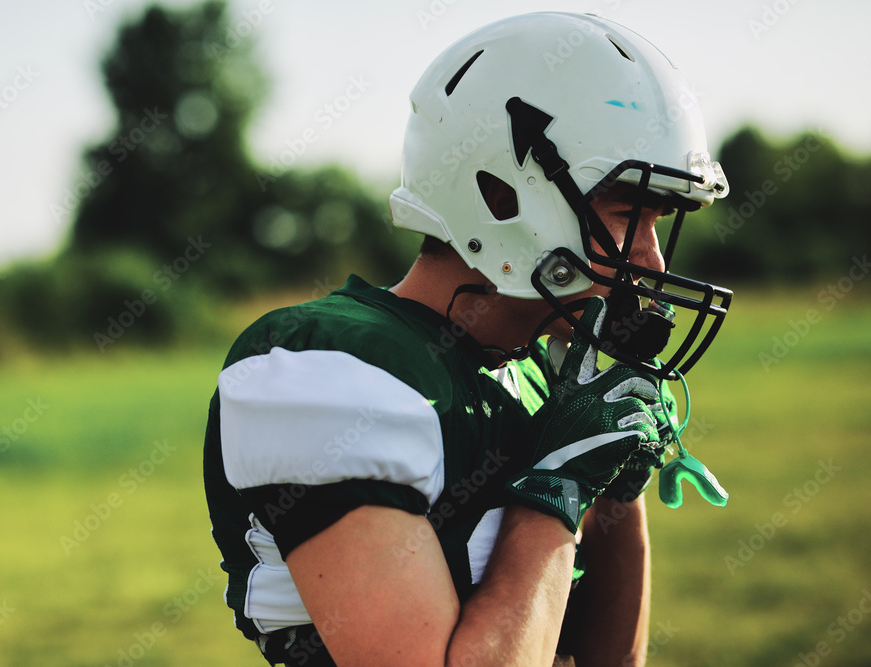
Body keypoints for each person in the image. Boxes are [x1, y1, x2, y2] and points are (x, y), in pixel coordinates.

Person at [204, 12, 731, 666]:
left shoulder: (544, 375)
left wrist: (615, 490)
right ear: (502, 193)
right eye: (627, 214)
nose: (650, 260)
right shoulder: (329, 366)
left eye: (657, 221)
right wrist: (557, 486)